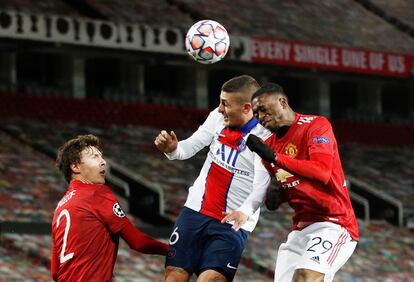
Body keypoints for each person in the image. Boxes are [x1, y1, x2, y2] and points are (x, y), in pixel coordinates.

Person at [222, 83, 359, 282]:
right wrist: (279, 197)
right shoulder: (268, 147)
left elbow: (322, 172)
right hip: (301, 229)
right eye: (256, 113)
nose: (260, 117)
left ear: (282, 102)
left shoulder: (316, 125)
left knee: (305, 276)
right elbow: (292, 181)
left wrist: (275, 158)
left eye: (263, 109)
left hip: (334, 223)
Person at [154, 75, 271, 282]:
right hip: (195, 211)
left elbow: (262, 185)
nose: (219, 108)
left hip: (233, 222)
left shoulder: (265, 137)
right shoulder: (217, 118)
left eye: (225, 104)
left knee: (210, 280)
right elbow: (191, 145)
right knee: (174, 275)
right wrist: (173, 149)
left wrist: (244, 211)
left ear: (246, 108)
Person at [51, 134, 168, 281]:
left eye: (101, 157)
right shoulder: (97, 193)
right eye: (94, 157)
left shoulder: (60, 208)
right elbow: (138, 242)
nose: (103, 162)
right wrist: (171, 250)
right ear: (75, 167)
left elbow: (56, 272)